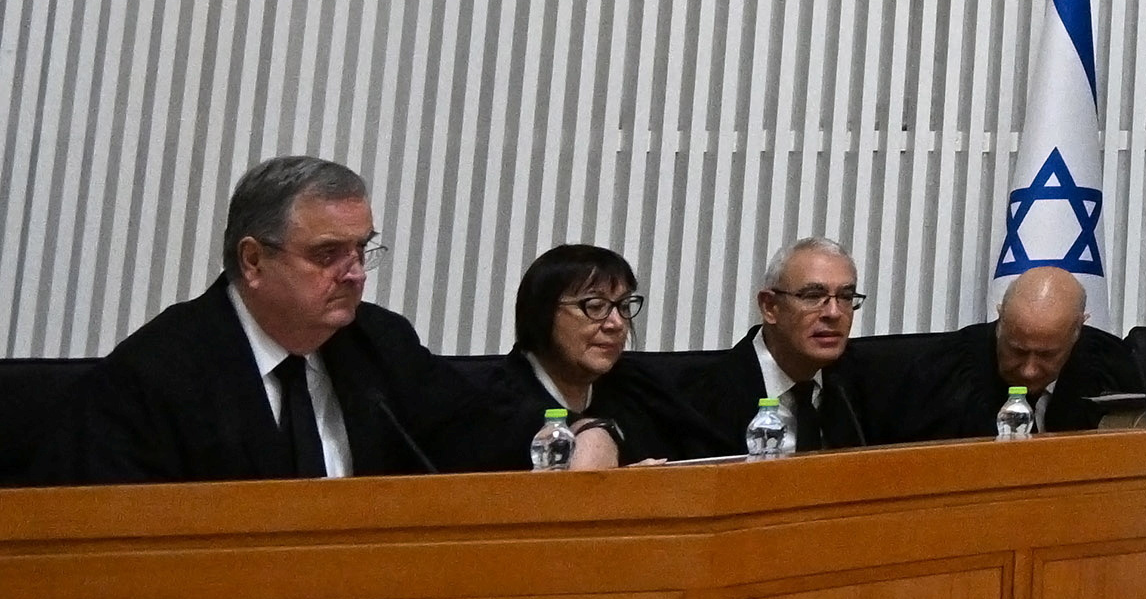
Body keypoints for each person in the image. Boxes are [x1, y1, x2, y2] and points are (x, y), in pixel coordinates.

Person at [87, 155, 533, 482]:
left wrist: (583, 430)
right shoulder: (155, 374)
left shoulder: (379, 342)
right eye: (328, 254)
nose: (355, 273)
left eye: (361, 249)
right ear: (253, 261)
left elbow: (483, 433)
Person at [510, 244, 714, 464]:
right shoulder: (492, 405)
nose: (616, 324)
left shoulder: (639, 388)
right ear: (542, 314)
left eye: (624, 306)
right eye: (595, 306)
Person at [903, 269, 1140, 438]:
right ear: (1000, 318)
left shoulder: (1110, 364)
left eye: (1047, 355)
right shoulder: (944, 373)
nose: (1029, 369)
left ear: (1078, 329)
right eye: (1017, 350)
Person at [744, 237, 881, 447]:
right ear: (770, 307)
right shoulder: (696, 401)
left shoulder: (866, 390)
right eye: (813, 296)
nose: (834, 313)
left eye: (845, 296)